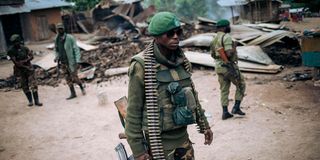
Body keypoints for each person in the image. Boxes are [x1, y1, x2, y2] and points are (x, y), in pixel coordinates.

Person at [125, 12, 213, 160]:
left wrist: (204, 125)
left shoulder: (180, 60)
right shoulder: (141, 65)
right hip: (159, 144)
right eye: (169, 33)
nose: (176, 36)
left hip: (183, 140)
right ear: (156, 36)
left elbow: (193, 96)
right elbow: (133, 111)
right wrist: (138, 151)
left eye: (178, 32)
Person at [210, 19, 246, 120]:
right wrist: (234, 47)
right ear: (225, 27)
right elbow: (229, 53)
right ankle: (236, 107)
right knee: (241, 84)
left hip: (218, 67)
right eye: (228, 26)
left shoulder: (214, 39)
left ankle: (225, 112)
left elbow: (212, 54)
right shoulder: (226, 37)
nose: (229, 27)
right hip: (228, 67)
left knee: (224, 89)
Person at [7, 34, 43, 107]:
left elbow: (31, 56)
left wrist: (25, 61)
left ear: (19, 41)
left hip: (29, 69)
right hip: (20, 70)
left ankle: (36, 101)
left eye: (16, 41)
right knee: (24, 86)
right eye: (14, 42)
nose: (15, 43)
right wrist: (26, 65)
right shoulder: (11, 51)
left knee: (33, 84)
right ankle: (30, 101)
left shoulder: (25, 48)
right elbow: (17, 63)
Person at [54, 23, 85, 100]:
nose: (60, 30)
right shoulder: (57, 39)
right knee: (67, 78)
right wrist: (56, 57)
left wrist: (77, 60)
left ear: (64, 29)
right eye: (58, 29)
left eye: (61, 28)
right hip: (63, 62)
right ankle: (73, 93)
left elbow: (76, 49)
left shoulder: (70, 38)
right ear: (57, 30)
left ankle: (81, 87)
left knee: (74, 78)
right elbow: (56, 49)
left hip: (71, 62)